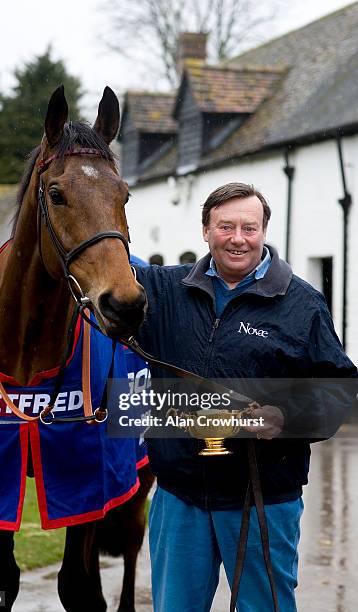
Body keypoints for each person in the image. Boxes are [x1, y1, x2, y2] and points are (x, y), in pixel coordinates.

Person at [133, 182, 357, 612]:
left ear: (264, 231)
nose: (238, 238)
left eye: (249, 228)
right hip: (180, 497)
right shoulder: (163, 291)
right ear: (205, 231)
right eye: (226, 226)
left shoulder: (302, 304)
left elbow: (338, 388)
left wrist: (283, 416)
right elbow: (94, 280)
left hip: (263, 498)